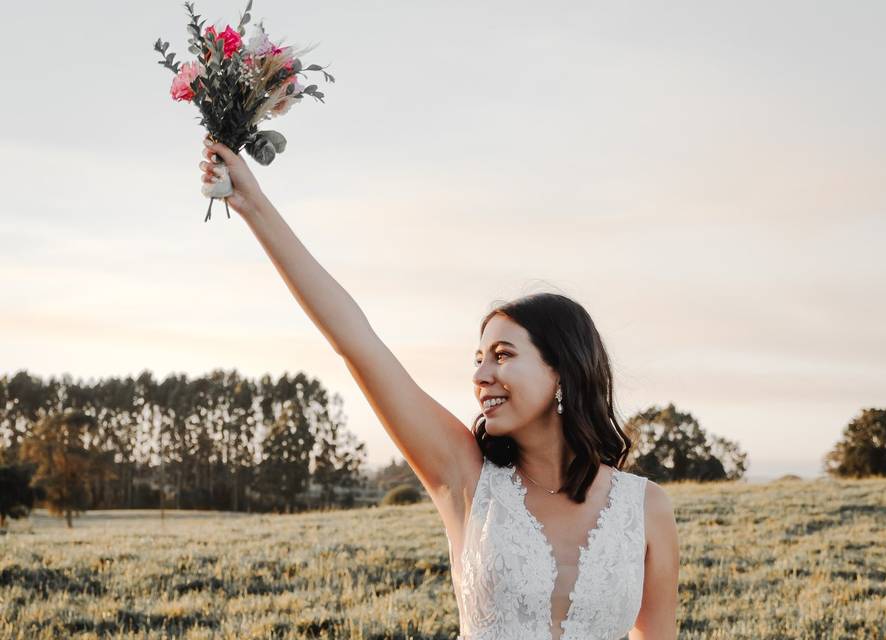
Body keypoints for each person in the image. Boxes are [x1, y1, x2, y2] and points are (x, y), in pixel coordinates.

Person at [199, 139, 680, 639]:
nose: (480, 377)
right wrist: (252, 203)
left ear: (562, 370)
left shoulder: (645, 509)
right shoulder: (467, 478)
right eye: (477, 360)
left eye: (503, 356)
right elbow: (357, 343)